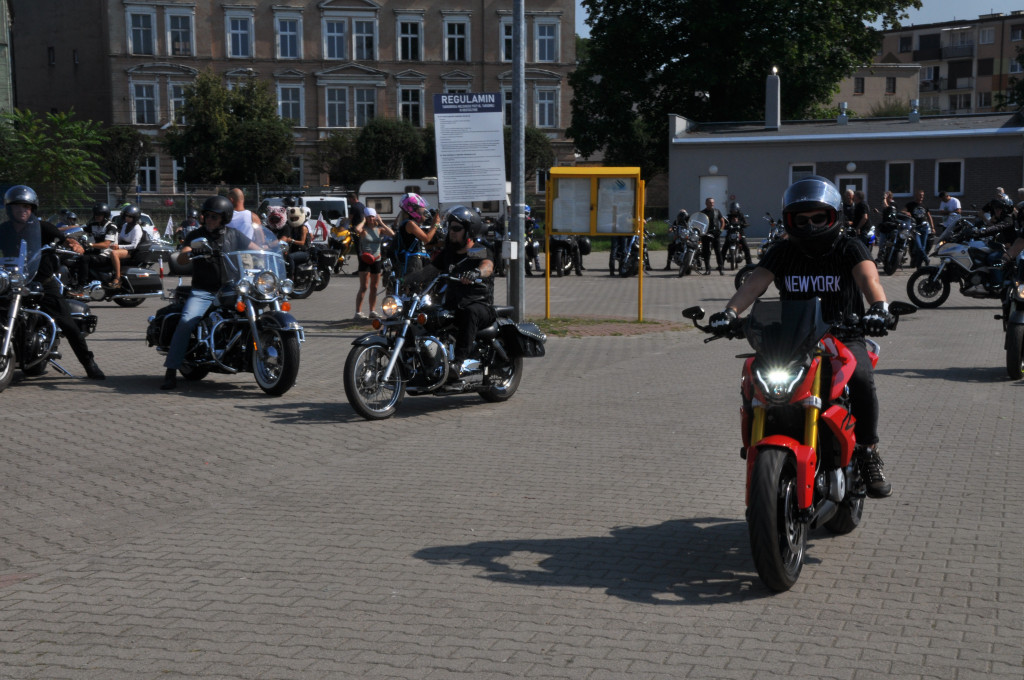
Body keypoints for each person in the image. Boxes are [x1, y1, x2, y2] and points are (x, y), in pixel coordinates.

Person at [707, 175, 893, 498]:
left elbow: (869, 278)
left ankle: (867, 450)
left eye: (818, 218)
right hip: (792, 339)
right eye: (801, 219)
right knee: (753, 376)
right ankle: (758, 439)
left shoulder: (849, 246)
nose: (809, 226)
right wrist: (729, 313)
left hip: (842, 334)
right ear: (789, 221)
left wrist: (879, 307)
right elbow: (754, 284)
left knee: (861, 377)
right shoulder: (782, 251)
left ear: (834, 216)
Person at [0, 185, 104, 379]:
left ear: (33, 209)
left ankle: (89, 363)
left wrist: (75, 245)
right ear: (9, 208)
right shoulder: (4, 230)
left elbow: (66, 240)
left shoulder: (43, 227)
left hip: (42, 282)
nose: (22, 210)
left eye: (26, 206)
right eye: (18, 206)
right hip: (13, 281)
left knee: (69, 324)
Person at [160, 195, 261, 390]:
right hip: (204, 291)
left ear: (224, 218)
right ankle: (171, 370)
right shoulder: (196, 235)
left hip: (232, 289)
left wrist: (270, 253)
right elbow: (181, 258)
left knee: (255, 313)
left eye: (215, 217)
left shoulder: (234, 235)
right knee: (186, 321)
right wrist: (190, 253)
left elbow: (256, 250)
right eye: (207, 216)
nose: (210, 220)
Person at [405, 205, 495, 380]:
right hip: (453, 305)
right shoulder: (448, 253)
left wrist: (476, 273)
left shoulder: (477, 250)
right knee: (424, 315)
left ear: (469, 230)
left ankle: (459, 364)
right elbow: (428, 272)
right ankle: (422, 361)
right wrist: (405, 280)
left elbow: (487, 266)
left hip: (479, 305)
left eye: (457, 229)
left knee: (469, 312)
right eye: (450, 228)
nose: (451, 232)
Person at [353, 207, 394, 320]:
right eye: (369, 216)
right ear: (366, 217)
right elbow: (357, 229)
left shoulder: (379, 229)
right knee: (364, 286)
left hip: (376, 259)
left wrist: (381, 222)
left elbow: (392, 234)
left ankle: (372, 310)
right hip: (365, 259)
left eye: (372, 216)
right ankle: (358, 312)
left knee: (374, 287)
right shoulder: (364, 230)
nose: (371, 218)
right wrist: (363, 221)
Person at [393, 193, 440, 278]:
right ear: (412, 209)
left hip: (417, 259)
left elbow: (421, 243)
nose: (423, 210)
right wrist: (435, 225)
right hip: (414, 261)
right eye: (420, 208)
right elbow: (426, 239)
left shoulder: (409, 223)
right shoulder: (410, 224)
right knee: (415, 289)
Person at [83, 201, 123, 287]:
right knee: (76, 257)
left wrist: (91, 245)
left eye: (99, 214)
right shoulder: (93, 225)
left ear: (105, 215)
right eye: (95, 214)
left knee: (84, 259)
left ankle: (83, 284)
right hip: (95, 253)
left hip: (106, 255)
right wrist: (60, 231)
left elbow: (106, 244)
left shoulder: (111, 227)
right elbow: (79, 228)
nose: (96, 216)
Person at [904, 189, 934, 267]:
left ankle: (919, 265)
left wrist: (932, 227)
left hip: (925, 227)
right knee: (919, 246)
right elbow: (902, 211)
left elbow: (929, 216)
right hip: (915, 228)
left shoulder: (924, 205)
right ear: (916, 195)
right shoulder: (910, 205)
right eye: (920, 195)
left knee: (923, 247)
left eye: (922, 195)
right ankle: (926, 259)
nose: (921, 197)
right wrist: (906, 212)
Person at [699, 197, 725, 275]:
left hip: (715, 234)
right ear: (706, 203)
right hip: (706, 234)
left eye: (713, 202)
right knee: (706, 252)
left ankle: (721, 269)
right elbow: (699, 223)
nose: (712, 204)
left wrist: (721, 230)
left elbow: (722, 221)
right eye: (710, 202)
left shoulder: (717, 211)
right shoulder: (702, 213)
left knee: (718, 252)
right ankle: (707, 269)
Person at [726, 201, 753, 266]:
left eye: (735, 209)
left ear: (738, 208)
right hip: (730, 233)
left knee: (746, 247)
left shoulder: (741, 215)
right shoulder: (729, 216)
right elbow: (726, 223)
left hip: (740, 233)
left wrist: (744, 224)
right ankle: (720, 265)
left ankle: (749, 263)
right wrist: (726, 226)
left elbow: (745, 223)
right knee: (724, 247)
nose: (734, 210)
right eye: (732, 209)